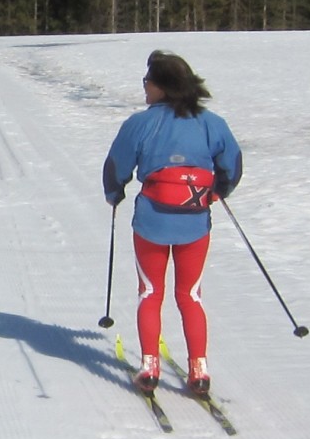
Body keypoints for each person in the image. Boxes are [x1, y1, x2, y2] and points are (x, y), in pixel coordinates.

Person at [102, 51, 242, 395]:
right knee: (190, 295)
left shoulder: (140, 123)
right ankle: (199, 370)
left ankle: (149, 365)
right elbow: (233, 165)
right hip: (195, 223)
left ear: (162, 87)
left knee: (150, 292)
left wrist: (115, 193)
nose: (145, 88)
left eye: (147, 82)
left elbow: (116, 167)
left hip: (151, 221)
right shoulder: (212, 124)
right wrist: (216, 192)